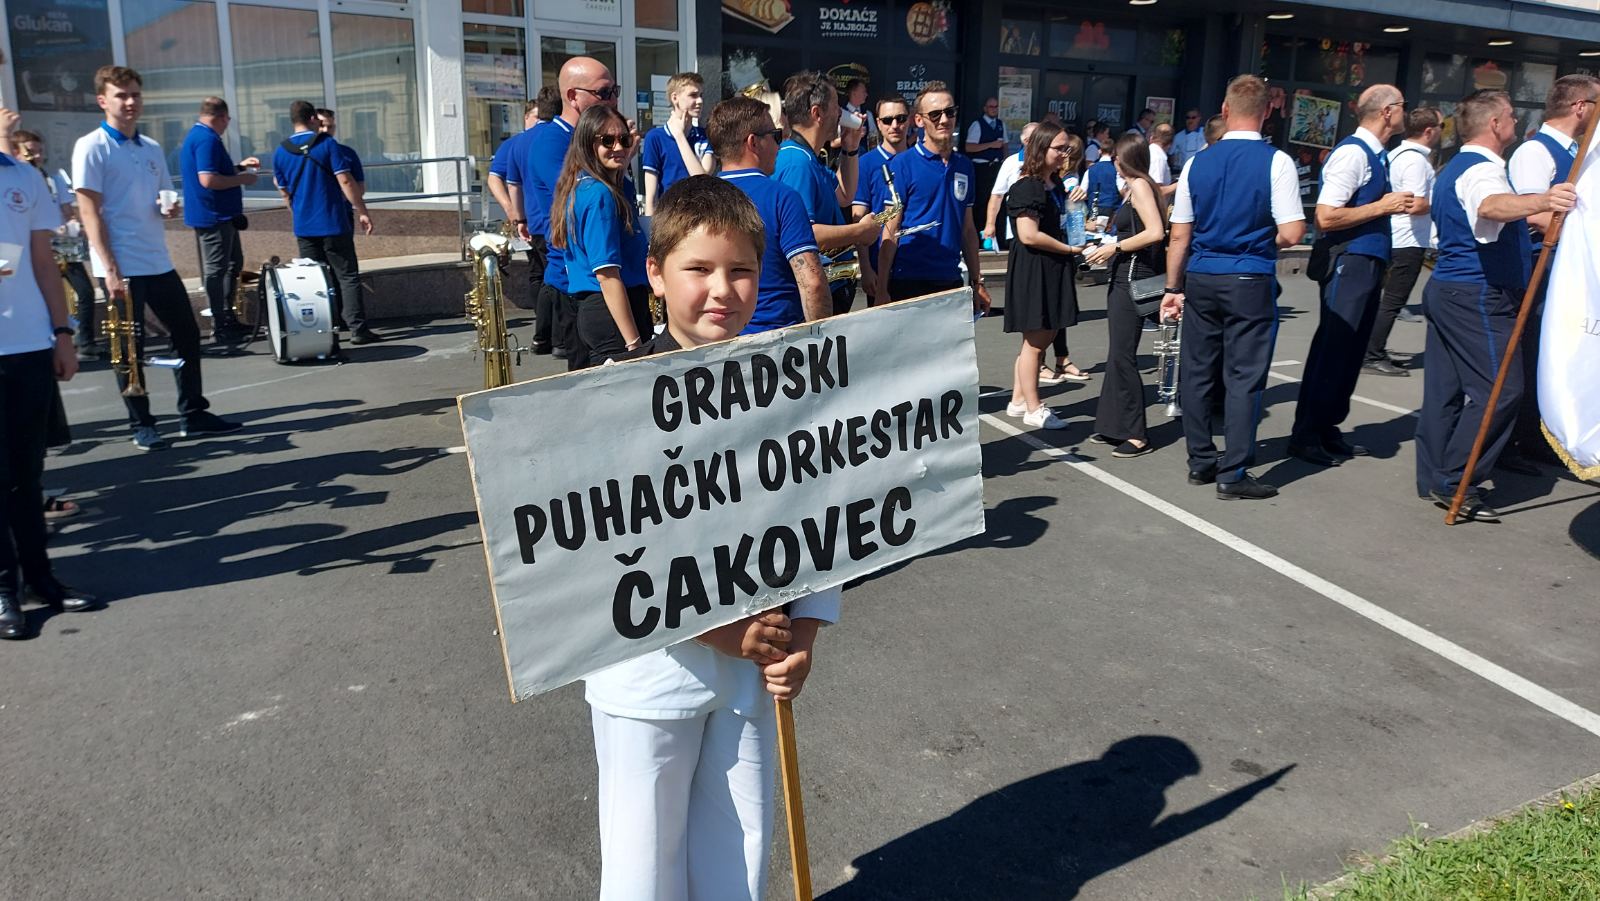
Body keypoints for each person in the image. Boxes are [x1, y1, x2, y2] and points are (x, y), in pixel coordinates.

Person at [584, 173, 840, 901]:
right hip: (645, 677)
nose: (720, 289)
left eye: (740, 271)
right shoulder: (608, 393)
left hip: (752, 672)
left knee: (739, 856)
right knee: (643, 869)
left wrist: (807, 636)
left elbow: (822, 511)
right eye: (698, 269)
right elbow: (604, 549)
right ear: (656, 275)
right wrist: (718, 629)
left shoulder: (788, 388)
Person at [1416, 90, 1576, 522]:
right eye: (1509, 116)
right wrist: (1545, 199)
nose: (1515, 122)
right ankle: (1455, 482)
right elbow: (1491, 205)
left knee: (1445, 391)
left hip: (1451, 287)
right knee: (1501, 390)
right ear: (1495, 125)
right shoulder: (1482, 171)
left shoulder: (1453, 168)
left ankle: (1435, 475)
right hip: (1476, 293)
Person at [73, 65, 241, 452]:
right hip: (120, 265)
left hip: (156, 260)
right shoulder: (92, 145)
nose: (130, 102)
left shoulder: (149, 148)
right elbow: (89, 212)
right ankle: (142, 422)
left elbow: (164, 197)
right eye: (121, 95)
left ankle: (193, 413)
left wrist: (167, 207)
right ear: (103, 101)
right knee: (130, 349)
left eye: (135, 94)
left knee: (186, 334)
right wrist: (110, 270)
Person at [1160, 74, 1306, 500]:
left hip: (1202, 273)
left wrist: (1172, 285)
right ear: (1267, 112)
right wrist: (1259, 240)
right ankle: (1234, 470)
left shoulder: (1196, 163)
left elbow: (1180, 235)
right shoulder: (1276, 161)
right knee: (1243, 377)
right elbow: (1294, 232)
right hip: (1248, 275)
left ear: (1224, 111)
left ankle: (1200, 460)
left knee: (1198, 370)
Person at [0, 135, 99, 638]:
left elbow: (42, 262)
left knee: (26, 476)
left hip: (27, 346)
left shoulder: (22, 176)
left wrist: (62, 335)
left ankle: (41, 579)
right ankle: (3, 591)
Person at [1288, 83, 1410, 468]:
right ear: (1387, 111)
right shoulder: (1353, 154)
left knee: (1351, 350)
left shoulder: (1378, 154)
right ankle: (1306, 434)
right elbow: (1326, 216)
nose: (1407, 111)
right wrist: (1382, 206)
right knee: (1334, 348)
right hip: (1349, 260)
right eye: (1402, 105)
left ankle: (1326, 428)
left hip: (1367, 259)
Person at [1502, 73, 1600, 473]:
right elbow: (1535, 211)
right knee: (1527, 359)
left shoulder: (1582, 152)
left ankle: (1539, 435)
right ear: (1580, 107)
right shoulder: (1535, 151)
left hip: (1567, 273)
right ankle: (1512, 440)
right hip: (1537, 272)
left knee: (1554, 354)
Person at [509, 55, 618, 371]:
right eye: (604, 92)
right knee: (587, 379)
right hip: (576, 282)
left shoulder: (587, 135)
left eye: (615, 90)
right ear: (573, 96)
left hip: (597, 272)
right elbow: (585, 200)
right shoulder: (551, 141)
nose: (613, 99)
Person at [707, 95, 830, 330]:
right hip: (778, 343)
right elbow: (812, 283)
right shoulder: (783, 198)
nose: (780, 145)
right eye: (775, 136)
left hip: (718, 343)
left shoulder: (697, 198)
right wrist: (819, 339)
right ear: (753, 143)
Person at [1087, 133, 1170, 458]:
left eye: (1117, 158)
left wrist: (1114, 247)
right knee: (1118, 354)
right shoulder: (1138, 186)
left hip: (1133, 278)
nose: (1114, 163)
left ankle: (1136, 434)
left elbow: (1154, 232)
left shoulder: (1139, 185)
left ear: (1126, 158)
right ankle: (1111, 424)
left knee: (1123, 356)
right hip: (1126, 275)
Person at [1000, 122, 1086, 431]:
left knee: (1041, 336)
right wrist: (1069, 249)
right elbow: (1029, 235)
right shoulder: (1028, 185)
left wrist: (1076, 205)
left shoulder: (1054, 184)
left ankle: (1020, 400)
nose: (1065, 153)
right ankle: (1033, 408)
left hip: (1051, 266)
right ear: (1041, 148)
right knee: (1036, 341)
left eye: (1067, 148)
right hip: (1036, 269)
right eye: (1059, 148)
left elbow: (1059, 220)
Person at [878, 81, 991, 314]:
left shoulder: (965, 166)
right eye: (935, 114)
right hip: (908, 280)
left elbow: (967, 229)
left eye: (949, 112)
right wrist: (881, 287)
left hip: (950, 278)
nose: (944, 120)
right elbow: (890, 228)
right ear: (919, 120)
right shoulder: (902, 164)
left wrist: (977, 281)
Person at [273, 100, 379, 345]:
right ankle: (357, 329)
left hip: (304, 227)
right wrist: (361, 209)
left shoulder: (280, 152)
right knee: (347, 275)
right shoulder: (327, 145)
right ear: (313, 119)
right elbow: (345, 181)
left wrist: (297, 213)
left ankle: (323, 331)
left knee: (315, 281)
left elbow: (284, 192)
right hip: (332, 221)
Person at [550, 106, 650, 363]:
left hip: (603, 309)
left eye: (624, 139)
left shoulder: (588, 186)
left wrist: (624, 161)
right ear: (587, 144)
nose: (618, 147)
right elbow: (607, 274)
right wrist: (633, 342)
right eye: (607, 140)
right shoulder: (600, 195)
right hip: (613, 312)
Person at [773, 71, 877, 316]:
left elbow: (845, 195)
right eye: (836, 107)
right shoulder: (797, 162)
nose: (841, 114)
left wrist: (850, 149)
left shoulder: (808, 157)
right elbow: (804, 234)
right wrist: (859, 232)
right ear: (817, 113)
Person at [1364, 107, 1443, 378]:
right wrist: (1442, 203)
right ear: (1429, 131)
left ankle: (1372, 350)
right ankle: (1372, 354)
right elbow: (1415, 203)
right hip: (1407, 238)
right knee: (1393, 301)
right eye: (1441, 127)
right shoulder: (1415, 161)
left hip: (1399, 235)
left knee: (1386, 299)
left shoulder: (1397, 154)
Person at [12, 130, 99, 361]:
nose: (36, 157)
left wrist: (71, 225)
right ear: (15, 153)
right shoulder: (15, 181)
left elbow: (67, 212)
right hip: (31, 250)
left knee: (85, 292)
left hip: (61, 248)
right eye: (29, 152)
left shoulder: (51, 179)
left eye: (40, 152)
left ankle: (85, 342)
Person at [180, 97, 259, 345]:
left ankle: (227, 318)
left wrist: (237, 167)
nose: (227, 125)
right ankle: (221, 322)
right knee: (217, 270)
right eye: (227, 120)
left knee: (232, 264)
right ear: (222, 117)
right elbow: (208, 180)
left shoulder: (198, 136)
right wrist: (242, 179)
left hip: (217, 214)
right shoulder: (206, 139)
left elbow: (212, 172)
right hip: (214, 215)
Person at [488, 98, 552, 320]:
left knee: (540, 273)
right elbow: (494, 178)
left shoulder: (528, 142)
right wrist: (511, 210)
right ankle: (546, 328)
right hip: (532, 219)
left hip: (532, 219)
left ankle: (543, 329)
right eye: (536, 117)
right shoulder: (516, 143)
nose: (541, 122)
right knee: (541, 273)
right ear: (526, 118)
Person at [852, 94, 912, 307]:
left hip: (915, 267)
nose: (894, 125)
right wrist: (866, 268)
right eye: (887, 120)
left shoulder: (918, 160)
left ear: (910, 120)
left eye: (901, 118)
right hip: (879, 266)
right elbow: (858, 219)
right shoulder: (865, 164)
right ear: (878, 123)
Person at [641, 72, 713, 218]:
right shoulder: (655, 137)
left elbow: (702, 180)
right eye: (693, 95)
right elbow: (651, 196)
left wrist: (680, 137)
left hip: (700, 216)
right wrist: (651, 231)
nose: (699, 101)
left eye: (701, 95)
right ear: (675, 98)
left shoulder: (704, 135)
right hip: (670, 218)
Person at [983, 122, 1035, 253]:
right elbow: (997, 195)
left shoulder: (1048, 162)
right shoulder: (1011, 163)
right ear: (1025, 140)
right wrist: (990, 224)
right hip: (1016, 230)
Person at [964, 97, 1009, 227]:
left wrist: (1004, 161)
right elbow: (969, 147)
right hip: (982, 167)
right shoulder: (977, 124)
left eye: (996, 107)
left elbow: (1005, 145)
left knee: (997, 198)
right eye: (991, 107)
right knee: (981, 200)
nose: (994, 109)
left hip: (997, 166)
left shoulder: (1001, 124)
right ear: (985, 108)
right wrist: (990, 145)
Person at [1147, 123, 1177, 197]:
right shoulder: (1158, 158)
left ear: (1152, 137)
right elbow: (1158, 191)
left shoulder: (1149, 151)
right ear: (1170, 143)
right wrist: (1180, 183)